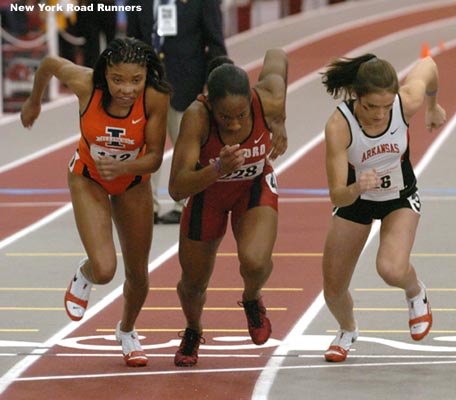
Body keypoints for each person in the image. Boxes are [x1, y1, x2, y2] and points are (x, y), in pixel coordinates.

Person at [20, 37, 171, 367]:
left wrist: (124, 166)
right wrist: (34, 102)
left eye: (136, 80)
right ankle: (84, 274)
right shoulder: (86, 83)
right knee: (105, 269)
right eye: (118, 80)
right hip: (88, 178)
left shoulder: (155, 97)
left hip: (132, 181)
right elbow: (49, 63)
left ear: (146, 76)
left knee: (138, 274)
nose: (126, 90)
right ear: (105, 73)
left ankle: (127, 332)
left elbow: (156, 157)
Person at [320, 53, 446, 362]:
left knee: (390, 268)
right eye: (371, 107)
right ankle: (347, 330)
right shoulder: (339, 125)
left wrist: (432, 105)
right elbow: (337, 195)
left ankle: (416, 291)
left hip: (399, 198)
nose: (379, 115)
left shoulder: (406, 102)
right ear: (356, 97)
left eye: (386, 107)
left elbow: (428, 66)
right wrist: (356, 187)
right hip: (356, 199)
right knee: (333, 289)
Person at [167, 51, 288, 367]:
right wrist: (217, 168)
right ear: (209, 103)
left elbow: (277, 56)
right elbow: (177, 188)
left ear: (252, 99)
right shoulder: (196, 116)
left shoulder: (268, 99)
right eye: (225, 117)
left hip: (252, 187)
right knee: (192, 284)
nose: (234, 123)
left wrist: (280, 121)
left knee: (256, 260)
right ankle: (193, 330)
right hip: (208, 193)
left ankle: (251, 297)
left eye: (242, 115)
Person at [127, 0, 227, 224]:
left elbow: (215, 42)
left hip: (187, 83)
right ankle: (146, 204)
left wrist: (215, 84)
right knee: (144, 145)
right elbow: (131, 40)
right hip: (147, 84)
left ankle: (186, 203)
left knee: (187, 145)